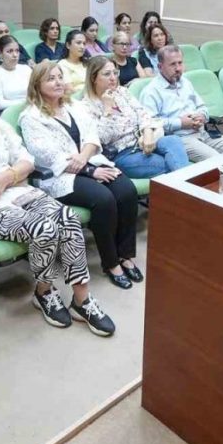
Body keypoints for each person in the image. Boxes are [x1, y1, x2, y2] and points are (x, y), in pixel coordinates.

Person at [0, 67, 115, 334]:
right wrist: (14, 175)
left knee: (69, 219)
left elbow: (27, 160)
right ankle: (44, 292)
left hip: (19, 193)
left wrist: (5, 178)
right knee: (46, 229)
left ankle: (81, 300)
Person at [21, 62, 141, 291]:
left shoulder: (73, 106)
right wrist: (89, 170)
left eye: (59, 77)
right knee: (103, 199)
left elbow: (92, 137)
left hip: (90, 163)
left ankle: (125, 254)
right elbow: (47, 157)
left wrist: (86, 160)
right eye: (50, 79)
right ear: (37, 85)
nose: (58, 82)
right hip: (59, 177)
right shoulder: (31, 117)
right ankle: (111, 262)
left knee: (126, 191)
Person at [83, 56, 189, 179]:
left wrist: (148, 133)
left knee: (173, 140)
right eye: (107, 74)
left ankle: (187, 192)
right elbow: (101, 139)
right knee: (169, 162)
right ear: (93, 78)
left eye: (115, 73)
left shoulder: (122, 92)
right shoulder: (86, 106)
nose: (113, 78)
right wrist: (107, 110)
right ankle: (190, 192)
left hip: (144, 141)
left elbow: (143, 113)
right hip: (124, 154)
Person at [140, 45, 223, 162]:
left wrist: (202, 115)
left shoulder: (185, 82)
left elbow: (202, 106)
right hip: (180, 138)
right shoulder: (151, 91)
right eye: (173, 64)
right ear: (160, 66)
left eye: (180, 63)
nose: (178, 68)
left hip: (203, 132)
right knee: (216, 160)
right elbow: (151, 123)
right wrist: (180, 123)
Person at [0, 35, 32, 112]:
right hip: (7, 113)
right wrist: (26, 102)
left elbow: (37, 94)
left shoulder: (26, 69)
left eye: (17, 51)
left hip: (31, 110)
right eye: (10, 51)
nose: (15, 55)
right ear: (0, 53)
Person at [57, 29, 88, 94]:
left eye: (84, 43)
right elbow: (70, 90)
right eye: (78, 43)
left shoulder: (87, 63)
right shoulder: (62, 64)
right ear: (68, 45)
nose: (82, 47)